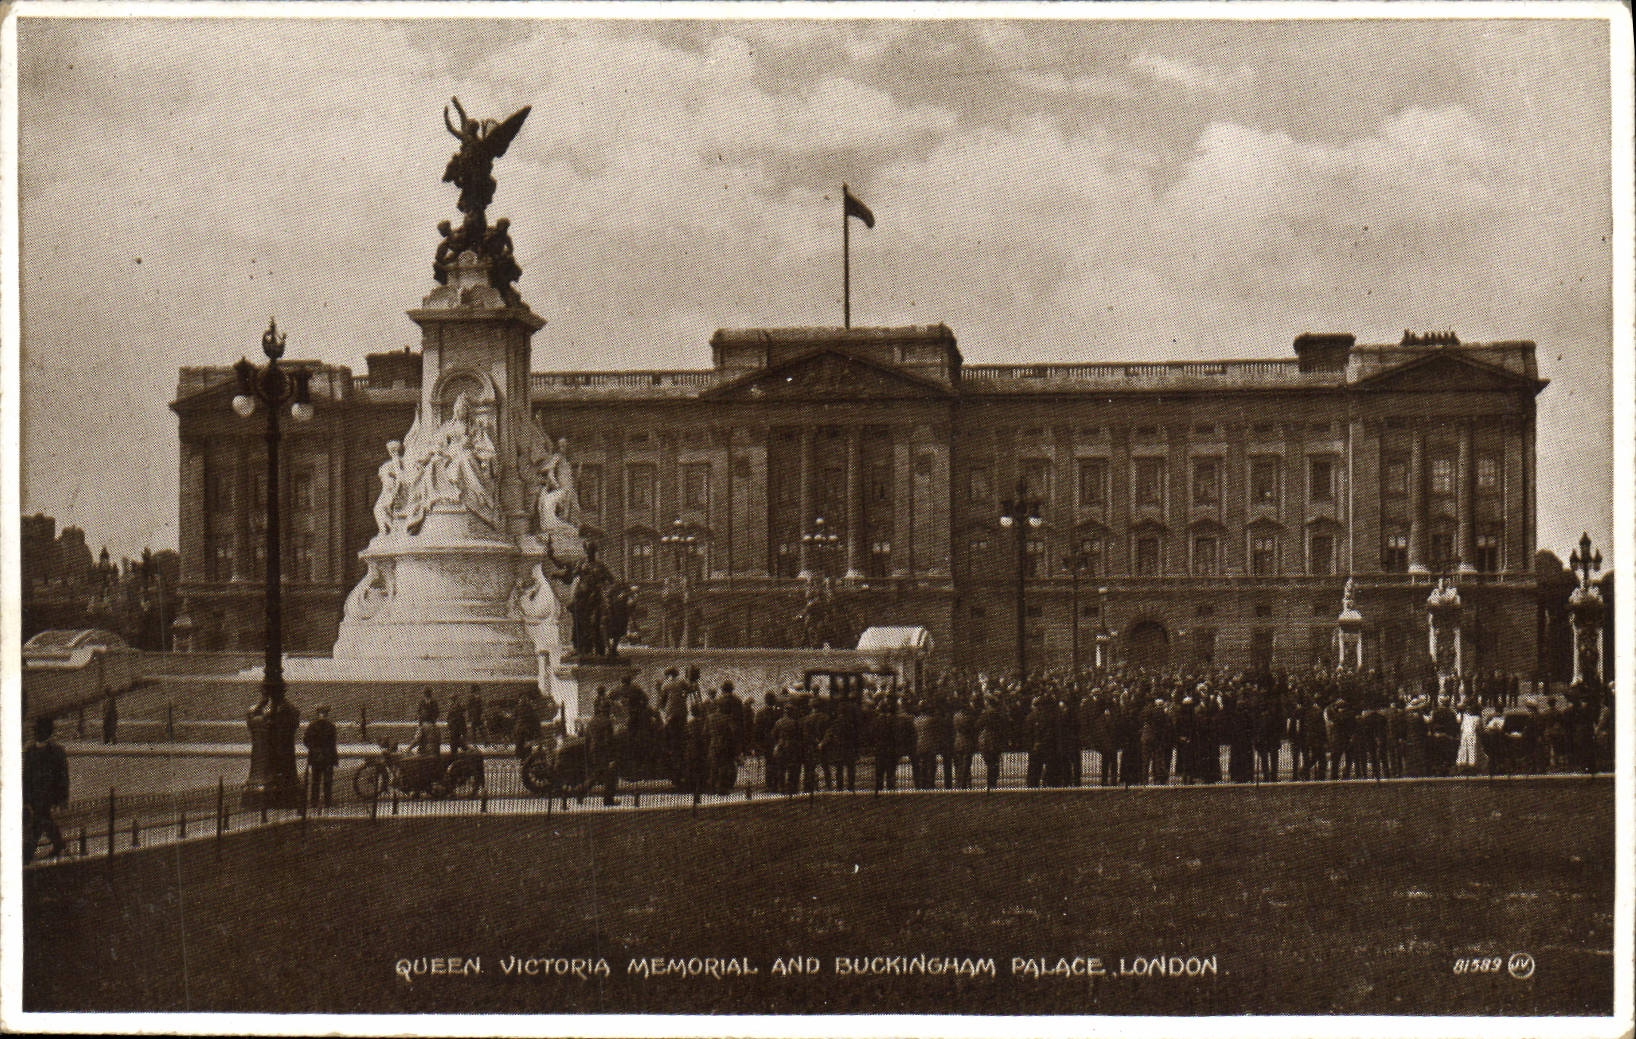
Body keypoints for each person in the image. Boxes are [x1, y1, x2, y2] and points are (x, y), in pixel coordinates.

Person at [24, 717, 69, 863]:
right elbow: (25, 776)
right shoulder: (30, 751)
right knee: (43, 821)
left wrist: (62, 798)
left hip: (48, 796)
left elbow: (62, 777)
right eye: (36, 731)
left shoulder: (56, 752)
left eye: (39, 731)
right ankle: (59, 845)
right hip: (34, 796)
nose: (37, 733)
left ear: (47, 732)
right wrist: (24, 797)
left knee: (39, 822)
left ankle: (27, 854)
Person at [303, 706, 339, 809]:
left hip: (321, 758)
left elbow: (332, 744)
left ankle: (322, 802)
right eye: (321, 713)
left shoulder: (315, 726)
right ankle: (318, 801)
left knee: (323, 781)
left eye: (324, 714)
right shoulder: (327, 726)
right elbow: (307, 740)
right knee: (318, 780)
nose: (322, 715)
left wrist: (314, 750)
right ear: (318, 714)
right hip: (321, 757)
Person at [584, 699, 619, 806]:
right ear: (608, 710)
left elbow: (587, 738)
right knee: (611, 776)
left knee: (597, 775)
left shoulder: (592, 721)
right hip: (603, 752)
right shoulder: (607, 722)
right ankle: (608, 800)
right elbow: (609, 740)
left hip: (593, 750)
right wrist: (612, 756)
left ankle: (580, 791)